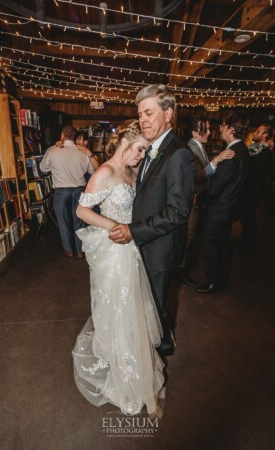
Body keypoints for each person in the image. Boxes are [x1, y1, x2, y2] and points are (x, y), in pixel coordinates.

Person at [72, 120, 165, 417]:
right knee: (118, 309)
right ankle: (122, 369)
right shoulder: (105, 172)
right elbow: (82, 210)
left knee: (133, 308)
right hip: (113, 252)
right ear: (125, 143)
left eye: (145, 152)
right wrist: (116, 227)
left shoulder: (132, 170)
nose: (141, 156)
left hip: (132, 248)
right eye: (139, 150)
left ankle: (135, 363)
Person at [109, 84, 196, 357]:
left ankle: (153, 365)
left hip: (159, 249)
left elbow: (179, 211)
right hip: (146, 244)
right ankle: (165, 344)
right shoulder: (153, 148)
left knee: (154, 307)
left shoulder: (179, 154)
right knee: (152, 307)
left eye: (149, 113)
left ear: (168, 114)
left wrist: (133, 231)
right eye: (140, 114)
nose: (143, 120)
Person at [196, 112, 250, 294]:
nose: (221, 129)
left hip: (219, 208)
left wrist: (199, 197)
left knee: (211, 243)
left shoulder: (231, 155)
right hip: (231, 207)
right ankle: (220, 275)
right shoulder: (244, 150)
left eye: (224, 126)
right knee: (222, 243)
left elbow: (215, 187)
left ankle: (213, 281)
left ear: (231, 130)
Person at [181, 118, 235, 286]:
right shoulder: (190, 149)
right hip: (194, 200)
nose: (210, 132)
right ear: (194, 132)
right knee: (188, 237)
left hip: (202, 199)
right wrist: (216, 160)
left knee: (194, 237)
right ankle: (180, 271)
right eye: (207, 129)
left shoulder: (199, 147)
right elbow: (196, 176)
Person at [40, 125, 94, 259]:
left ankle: (69, 250)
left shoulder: (53, 150)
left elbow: (42, 168)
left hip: (61, 192)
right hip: (79, 191)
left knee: (63, 223)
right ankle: (80, 252)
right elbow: (92, 172)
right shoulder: (82, 152)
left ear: (62, 136)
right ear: (75, 137)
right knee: (79, 221)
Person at [239, 124, 274, 253]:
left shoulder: (265, 152)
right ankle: (245, 241)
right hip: (248, 188)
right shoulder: (254, 148)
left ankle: (249, 245)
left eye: (259, 131)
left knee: (249, 217)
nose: (255, 132)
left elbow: (256, 172)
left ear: (265, 135)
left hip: (254, 190)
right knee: (246, 216)